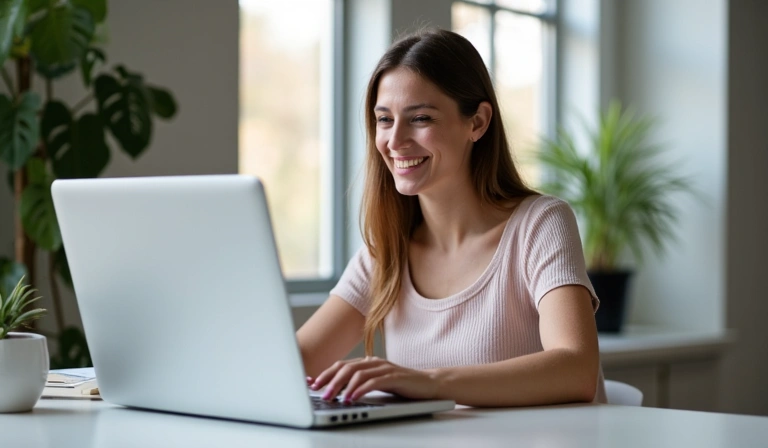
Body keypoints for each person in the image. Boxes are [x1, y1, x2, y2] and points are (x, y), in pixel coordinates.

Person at [297, 28, 606, 407]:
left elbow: (576, 370)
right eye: (384, 120)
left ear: (477, 123)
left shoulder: (540, 224)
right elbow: (292, 363)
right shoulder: (386, 254)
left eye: (421, 118)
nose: (394, 141)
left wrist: (429, 383)